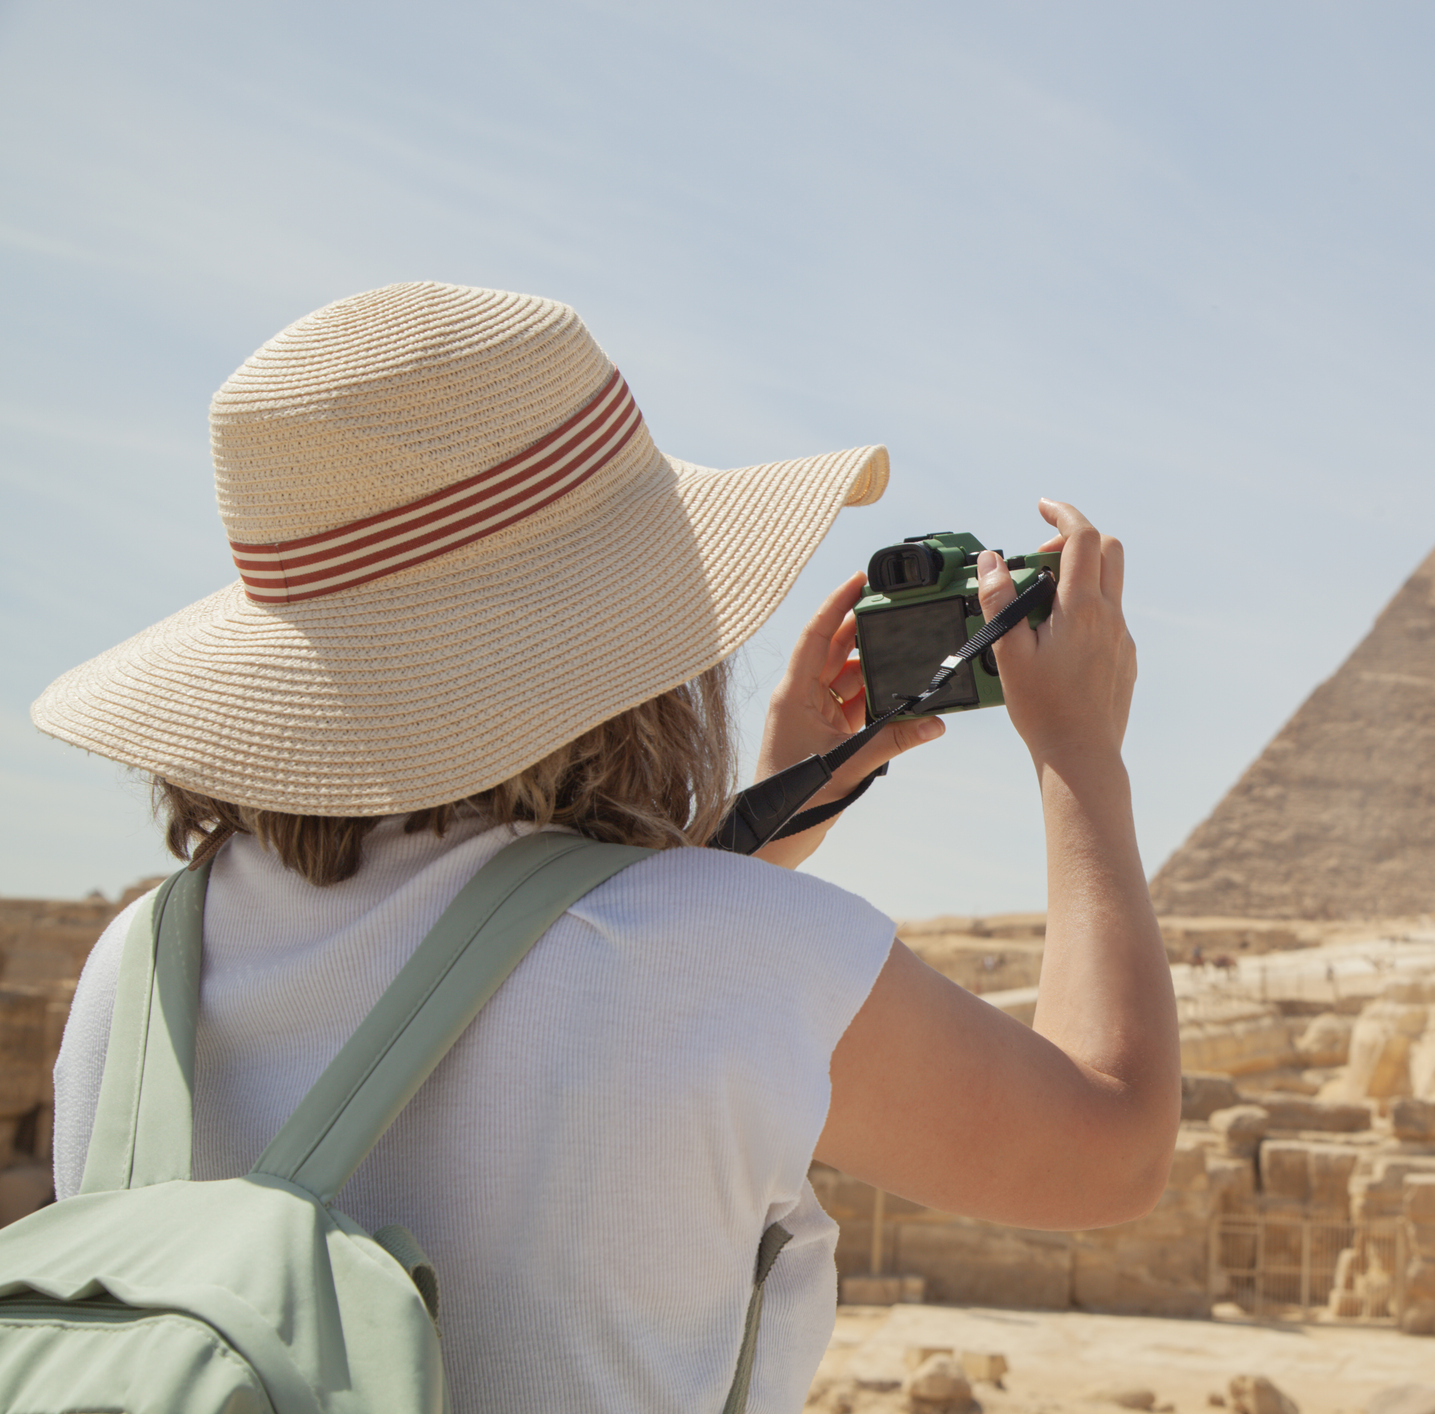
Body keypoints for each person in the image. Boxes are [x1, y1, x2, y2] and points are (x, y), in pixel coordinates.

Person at [33, 282, 1179, 1412]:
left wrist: (766, 809)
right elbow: (1114, 1147)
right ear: (626, 642)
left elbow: (549, 974)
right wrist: (1080, 757)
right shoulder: (731, 954)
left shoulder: (134, 969)